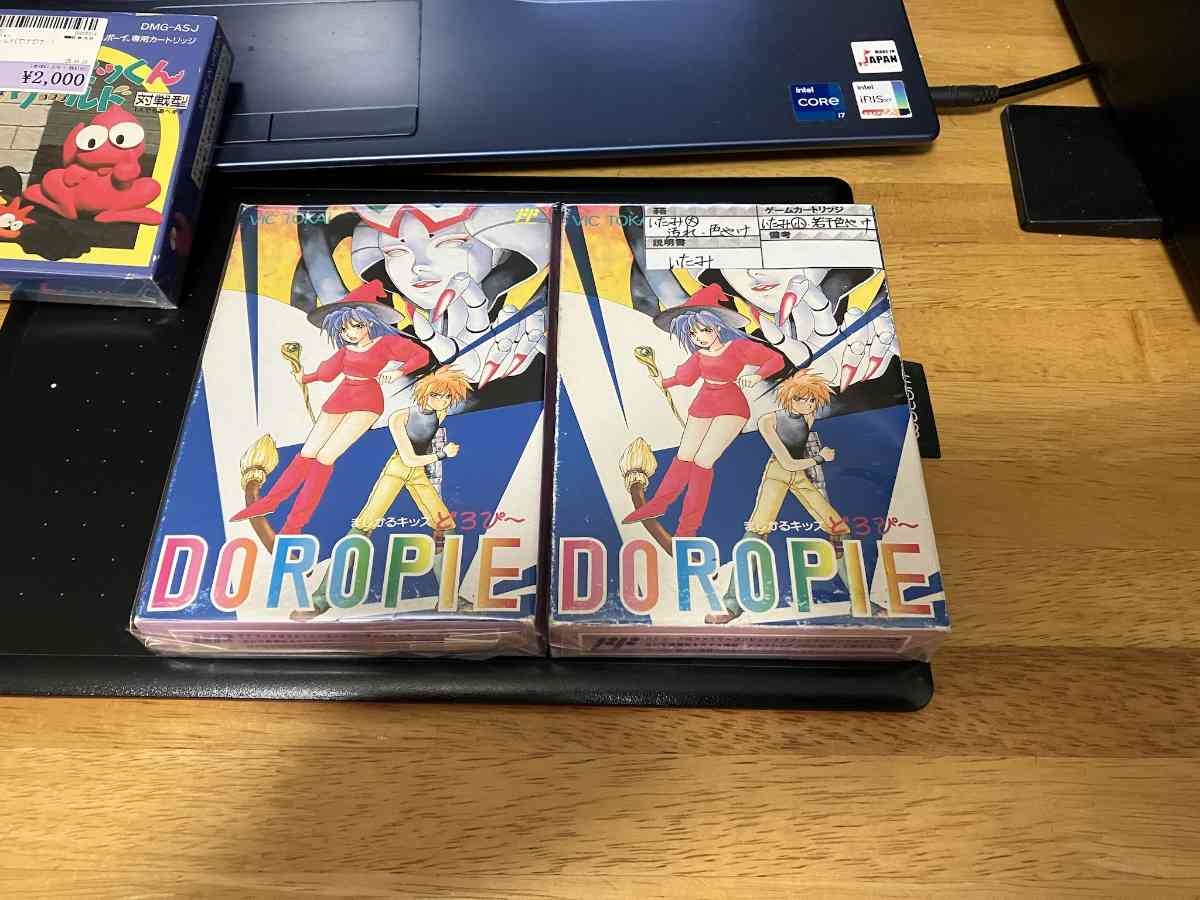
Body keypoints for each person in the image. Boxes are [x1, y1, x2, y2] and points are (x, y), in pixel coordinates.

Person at [231, 280, 430, 534]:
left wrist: (399, 371)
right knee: (308, 452)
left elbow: (421, 355)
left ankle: (294, 524)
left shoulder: (385, 344)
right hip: (341, 395)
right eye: (344, 328)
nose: (349, 333)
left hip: (367, 400)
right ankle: (269, 502)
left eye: (356, 326)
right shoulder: (346, 351)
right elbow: (327, 373)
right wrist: (304, 377)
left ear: (369, 323)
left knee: (325, 457)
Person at [624, 284, 784, 537]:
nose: (699, 337)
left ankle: (688, 528)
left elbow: (776, 359)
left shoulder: (738, 348)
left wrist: (757, 376)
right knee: (684, 455)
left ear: (718, 327)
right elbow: (685, 378)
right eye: (692, 332)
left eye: (705, 330)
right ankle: (657, 505)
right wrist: (662, 382)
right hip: (704, 402)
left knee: (702, 461)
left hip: (731, 405)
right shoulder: (699, 356)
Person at [707, 369, 852, 625]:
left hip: (800, 475)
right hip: (778, 473)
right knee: (756, 533)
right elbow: (787, 461)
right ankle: (731, 606)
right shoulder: (768, 421)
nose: (808, 404)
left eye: (812, 400)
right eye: (802, 399)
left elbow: (800, 453)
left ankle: (861, 597)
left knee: (839, 529)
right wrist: (820, 458)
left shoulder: (809, 417)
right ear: (789, 396)